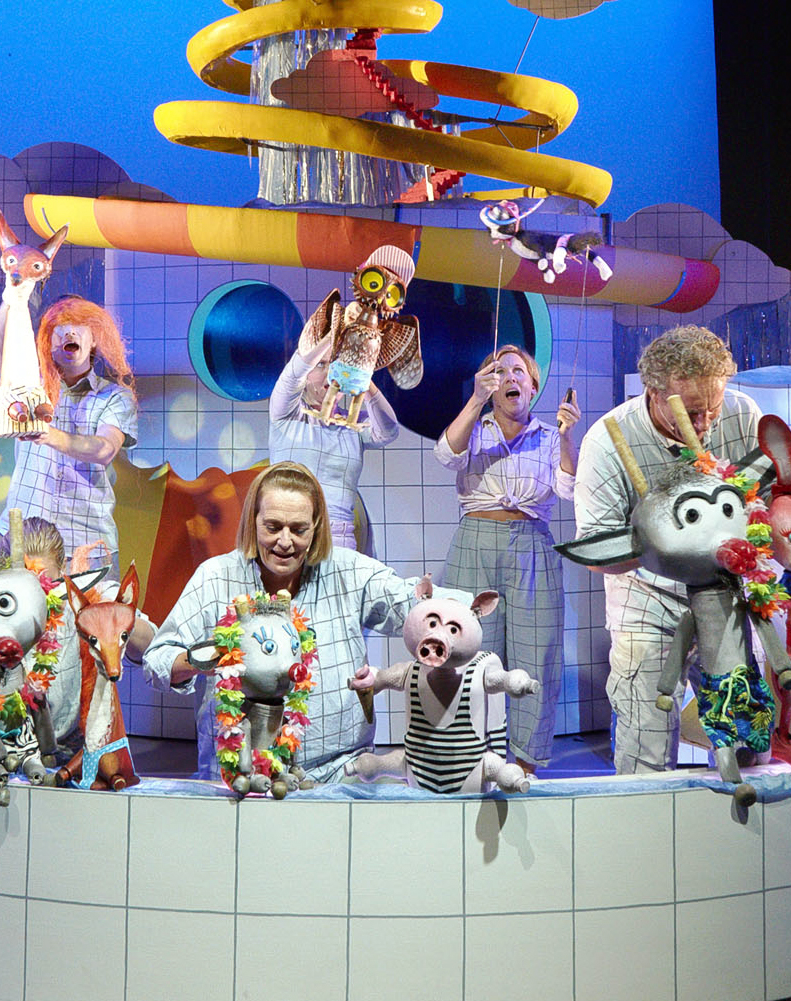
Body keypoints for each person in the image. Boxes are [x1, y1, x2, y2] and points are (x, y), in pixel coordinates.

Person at [140, 462, 416, 781]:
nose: (285, 542)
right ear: (253, 522)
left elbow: (416, 606)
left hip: (339, 774)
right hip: (235, 778)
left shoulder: (351, 572)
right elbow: (156, 662)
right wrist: (210, 658)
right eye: (272, 527)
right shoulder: (215, 577)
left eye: (298, 530)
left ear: (316, 527)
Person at [571, 325, 762, 775]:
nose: (705, 424)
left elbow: (763, 503)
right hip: (647, 604)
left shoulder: (741, 414)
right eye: (692, 412)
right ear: (654, 393)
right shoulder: (606, 441)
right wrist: (668, 544)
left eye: (713, 408)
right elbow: (597, 550)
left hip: (726, 598)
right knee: (646, 750)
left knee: (747, 739)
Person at [433, 344, 578, 774]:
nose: (510, 377)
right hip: (475, 541)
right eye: (500, 372)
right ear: (490, 386)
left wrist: (567, 436)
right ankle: (469, 759)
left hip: (533, 546)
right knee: (469, 651)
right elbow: (445, 455)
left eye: (519, 371)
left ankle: (526, 765)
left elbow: (569, 489)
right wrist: (475, 400)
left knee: (538, 654)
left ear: (533, 386)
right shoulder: (475, 428)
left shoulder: (550, 436)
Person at [267, 252, 412, 547]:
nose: (328, 372)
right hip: (288, 534)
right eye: (321, 365)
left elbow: (388, 431)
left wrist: (362, 368)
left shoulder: (351, 427)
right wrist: (335, 334)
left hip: (340, 537)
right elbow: (295, 371)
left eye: (334, 365)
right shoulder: (286, 414)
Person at [0, 295, 137, 574]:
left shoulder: (114, 397)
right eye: (60, 326)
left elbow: (105, 449)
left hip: (87, 543)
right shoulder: (29, 386)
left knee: (94, 605)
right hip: (26, 543)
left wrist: (47, 434)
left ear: (94, 339)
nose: (70, 332)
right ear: (47, 340)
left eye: (79, 324)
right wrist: (12, 294)